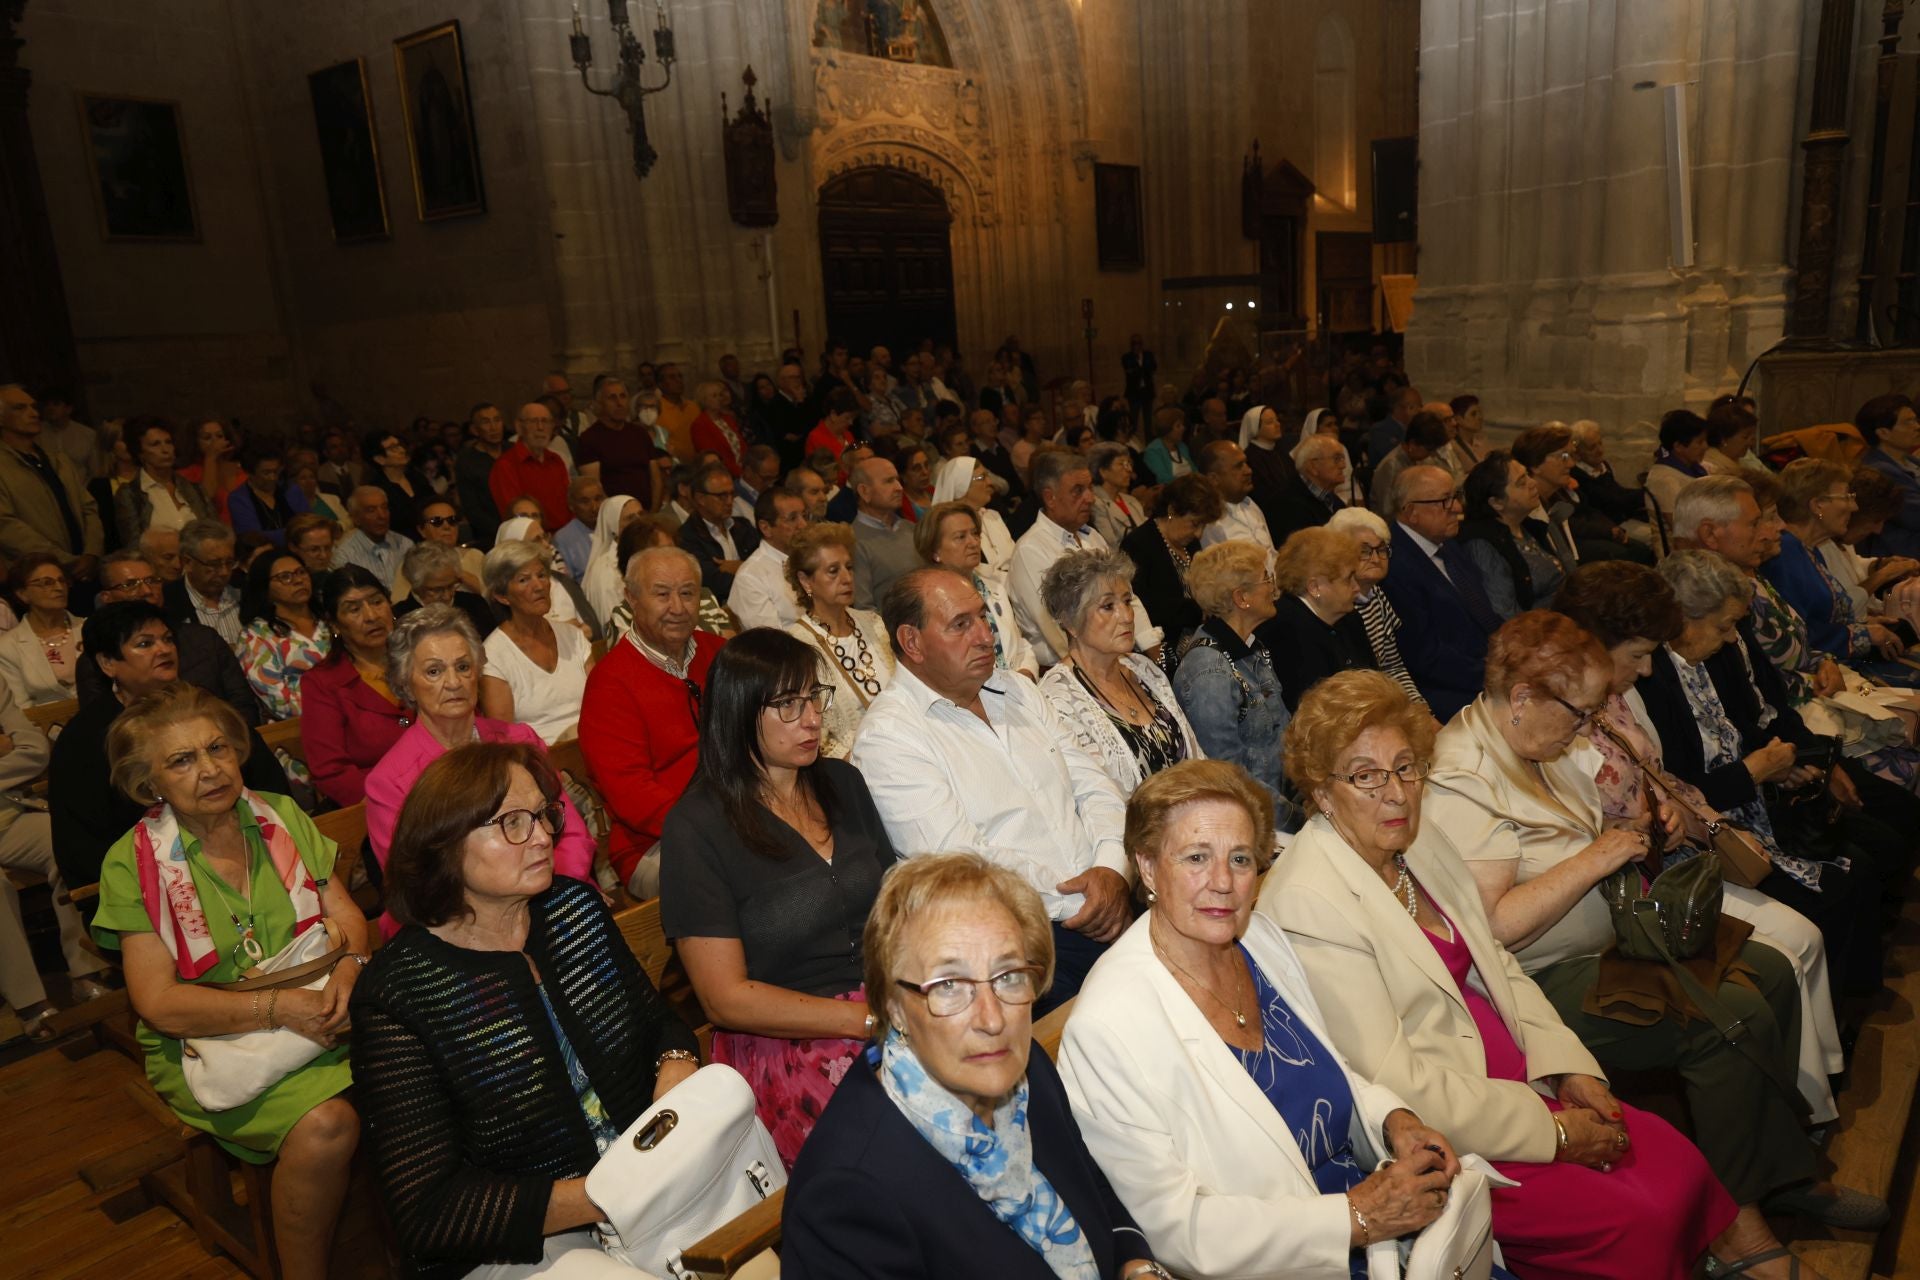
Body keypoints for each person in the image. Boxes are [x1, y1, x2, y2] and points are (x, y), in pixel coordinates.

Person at [1261, 670, 1751, 1278]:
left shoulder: (1418, 842)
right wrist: (1555, 1134)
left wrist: (1567, 1067)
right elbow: (1396, 1082)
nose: (1397, 794)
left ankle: (1727, 1258)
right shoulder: (1309, 900)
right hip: (1456, 1133)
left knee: (1679, 1162)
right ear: (1321, 790)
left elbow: (1499, 964)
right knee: (1640, 1214)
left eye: (1406, 767)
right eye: (1365, 775)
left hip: (1521, 1071)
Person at [1420, 611, 1879, 1238]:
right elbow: (1491, 927)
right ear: (1522, 697)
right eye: (1580, 712)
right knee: (1727, 1017)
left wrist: (1630, 831)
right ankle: (1739, 1223)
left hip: (1606, 942)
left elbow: (1559, 841)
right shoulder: (1463, 778)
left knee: (1772, 970)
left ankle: (1779, 1172)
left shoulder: (1536, 744)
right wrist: (1598, 856)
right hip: (1527, 984)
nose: (1588, 726)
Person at [1059, 759, 1469, 1280]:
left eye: (1239, 858)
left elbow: (1328, 1075)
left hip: (1389, 1235)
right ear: (1147, 868)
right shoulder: (1108, 1026)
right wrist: (1356, 1217)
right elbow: (1177, 1230)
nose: (1222, 883)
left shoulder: (1260, 940)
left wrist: (1393, 1123)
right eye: (1196, 857)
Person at [351, 742, 699, 1279]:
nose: (541, 836)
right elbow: (430, 1210)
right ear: (444, 845)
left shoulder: (573, 910)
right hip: (521, 1243)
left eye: (542, 815)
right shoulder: (398, 992)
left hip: (646, 1182)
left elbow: (659, 1024)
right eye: (512, 823)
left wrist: (675, 1068)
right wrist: (609, 1192)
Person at [1552, 561, 1856, 1126]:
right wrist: (1662, 824)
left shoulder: (1617, 698)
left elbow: (1662, 776)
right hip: (1632, 885)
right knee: (1791, 948)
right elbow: (1575, 832)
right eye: (1639, 654)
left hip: (1674, 854)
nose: (1648, 669)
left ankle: (1812, 1096)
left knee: (1807, 933)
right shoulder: (1560, 717)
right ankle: (1798, 1107)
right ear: (1594, 645)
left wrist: (1705, 821)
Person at [781, 852, 1161, 1280]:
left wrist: (1137, 1266)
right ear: (893, 1006)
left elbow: (1093, 1190)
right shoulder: (846, 1199)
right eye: (949, 985)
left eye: (1009, 975)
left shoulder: (1023, 1067)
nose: (993, 1019)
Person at [93, 685, 362, 1280]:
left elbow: (345, 917)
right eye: (181, 760)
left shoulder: (279, 814)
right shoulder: (131, 862)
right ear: (150, 784)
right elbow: (159, 1003)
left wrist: (350, 969)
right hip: (211, 1039)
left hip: (324, 1000)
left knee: (438, 1062)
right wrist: (281, 1008)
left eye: (217, 748)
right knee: (327, 1126)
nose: (210, 769)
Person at [661, 630, 900, 1165]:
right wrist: (864, 1020)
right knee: (900, 1134)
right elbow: (725, 998)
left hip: (886, 1000)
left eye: (814, 697)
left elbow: (897, 906)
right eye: (789, 705)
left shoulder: (841, 782)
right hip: (788, 1040)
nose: (812, 718)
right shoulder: (697, 827)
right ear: (740, 712)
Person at [850, 568, 1132, 1010]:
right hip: (1019, 941)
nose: (985, 636)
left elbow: (1095, 785)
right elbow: (961, 863)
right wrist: (1087, 900)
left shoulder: (1016, 689)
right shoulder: (889, 737)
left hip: (1107, 899)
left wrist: (1112, 868)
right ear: (912, 642)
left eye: (983, 617)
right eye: (961, 625)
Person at [364, 606, 595, 938]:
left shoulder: (519, 742)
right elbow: (418, 886)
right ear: (406, 684)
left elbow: (570, 833)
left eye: (463, 666)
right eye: (434, 671)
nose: (453, 682)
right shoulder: (391, 781)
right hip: (461, 929)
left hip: (554, 897)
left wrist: (559, 898)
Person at [579, 546, 724, 898]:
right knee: (741, 871)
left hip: (738, 819)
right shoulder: (610, 684)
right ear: (631, 598)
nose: (678, 607)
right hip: (655, 844)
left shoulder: (719, 654)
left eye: (687, 593)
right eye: (662, 594)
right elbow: (631, 793)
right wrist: (719, 829)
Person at [1038, 549, 1200, 797]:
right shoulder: (1057, 700)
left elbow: (1196, 756)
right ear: (1070, 622)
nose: (1126, 616)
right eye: (1108, 606)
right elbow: (1092, 798)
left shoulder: (1144, 669)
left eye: (1127, 601)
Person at [1170, 539, 1294, 822]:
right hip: (1254, 819)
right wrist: (1296, 817)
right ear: (1242, 598)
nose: (1273, 587)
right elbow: (1227, 777)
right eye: (1266, 578)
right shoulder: (1209, 673)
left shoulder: (1250, 647)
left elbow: (1284, 734)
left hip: (1281, 804)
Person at [1761, 458, 1918, 681]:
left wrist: (1864, 625)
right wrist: (1862, 633)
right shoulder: (1785, 552)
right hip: (1818, 675)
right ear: (1818, 505)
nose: (1854, 506)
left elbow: (1822, 619)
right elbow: (1795, 634)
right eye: (1846, 497)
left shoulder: (1806, 549)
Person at [1012, 449, 1162, 668]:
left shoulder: (1091, 536)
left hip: (1114, 657)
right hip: (1070, 668)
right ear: (1050, 497)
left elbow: (1127, 597)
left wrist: (1155, 655)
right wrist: (1112, 668)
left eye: (1090, 487)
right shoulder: (1030, 549)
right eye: (1078, 491)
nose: (1090, 498)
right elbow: (1055, 628)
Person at [1381, 465, 1501, 719]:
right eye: (1445, 500)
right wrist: (1496, 674)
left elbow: (1484, 614)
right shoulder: (1393, 565)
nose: (1457, 507)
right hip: (1448, 691)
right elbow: (1424, 657)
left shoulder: (1448, 546)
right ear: (1411, 511)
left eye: (1456, 496)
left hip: (1488, 666)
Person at [301, 566, 409, 808]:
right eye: (354, 609)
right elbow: (330, 770)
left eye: (377, 602)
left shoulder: (419, 658)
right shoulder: (322, 683)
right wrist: (389, 805)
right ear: (334, 624)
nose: (371, 616)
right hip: (377, 806)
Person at [784, 522, 895, 758]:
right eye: (833, 571)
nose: (847, 578)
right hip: (852, 765)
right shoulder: (796, 645)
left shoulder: (873, 623)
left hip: (903, 745)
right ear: (806, 581)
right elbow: (815, 737)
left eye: (849, 567)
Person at [479, 540, 595, 746]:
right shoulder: (493, 656)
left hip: (595, 741)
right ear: (502, 596)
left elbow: (603, 700)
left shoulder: (573, 637)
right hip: (541, 757)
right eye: (524, 580)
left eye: (541, 575)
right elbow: (504, 740)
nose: (539, 586)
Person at [917, 501, 1037, 682]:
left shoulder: (996, 588)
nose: (974, 542)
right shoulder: (928, 604)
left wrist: (1027, 673)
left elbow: (1020, 645)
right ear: (935, 551)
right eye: (960, 537)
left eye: (975, 534)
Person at [1258, 527, 1376, 710]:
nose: (1356, 587)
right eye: (1348, 579)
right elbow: (1308, 709)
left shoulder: (1348, 617)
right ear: (1315, 587)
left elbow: (1374, 680)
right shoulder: (1283, 632)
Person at [1326, 508, 1427, 710]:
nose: (1375, 558)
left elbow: (1393, 667)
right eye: (1364, 551)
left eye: (1381, 550)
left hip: (1382, 698)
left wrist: (1420, 709)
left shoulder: (1377, 595)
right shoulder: (1337, 607)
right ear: (1338, 554)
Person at [1122, 475, 1222, 661]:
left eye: (1203, 525)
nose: (1199, 534)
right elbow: (1144, 606)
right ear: (1172, 510)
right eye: (1195, 523)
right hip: (1165, 646)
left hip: (1200, 637)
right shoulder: (1138, 544)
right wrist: (1198, 611)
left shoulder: (1190, 544)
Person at [1458, 451, 1567, 618]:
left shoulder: (1528, 526)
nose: (1533, 483)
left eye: (1528, 475)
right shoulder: (1483, 544)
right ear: (1497, 502)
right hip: (1539, 627)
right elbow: (1505, 614)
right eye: (1522, 483)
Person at [238, 551, 330, 722]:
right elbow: (280, 703)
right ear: (265, 588)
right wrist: (338, 710)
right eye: (285, 577)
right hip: (302, 726)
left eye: (301, 572)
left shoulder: (331, 620)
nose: (298, 580)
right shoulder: (256, 636)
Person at [0, 553, 81, 706]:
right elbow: (20, 707)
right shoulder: (7, 647)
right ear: (23, 594)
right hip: (44, 721)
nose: (59, 588)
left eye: (62, 580)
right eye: (46, 583)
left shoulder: (89, 628)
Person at [114, 416, 210, 541]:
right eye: (155, 444)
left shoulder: (195, 489)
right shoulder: (131, 495)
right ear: (140, 453)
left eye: (168, 442)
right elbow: (133, 542)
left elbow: (213, 531)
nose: (165, 450)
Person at [727, 487, 808, 631]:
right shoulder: (751, 576)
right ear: (766, 528)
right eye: (792, 518)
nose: (803, 525)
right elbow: (769, 640)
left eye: (804, 516)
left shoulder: (812, 559)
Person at [678, 461, 760, 597]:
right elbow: (714, 583)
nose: (729, 501)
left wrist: (740, 566)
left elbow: (768, 566)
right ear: (700, 498)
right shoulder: (687, 536)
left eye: (732, 494)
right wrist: (753, 571)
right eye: (722, 496)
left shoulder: (743, 526)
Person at [847, 458, 919, 610]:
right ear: (864, 491)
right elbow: (864, 609)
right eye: (888, 481)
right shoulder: (853, 541)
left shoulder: (912, 529)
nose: (899, 487)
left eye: (898, 480)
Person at [165, 518, 245, 654]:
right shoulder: (169, 601)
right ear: (187, 562)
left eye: (229, 562)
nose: (224, 572)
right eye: (214, 564)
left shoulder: (245, 589)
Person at [393, 539, 495, 640]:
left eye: (451, 586)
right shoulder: (401, 618)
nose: (447, 596)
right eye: (437, 590)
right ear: (417, 587)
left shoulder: (475, 605)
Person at [331, 486, 414, 593]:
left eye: (384, 508)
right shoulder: (344, 556)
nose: (382, 516)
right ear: (355, 518)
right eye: (371, 510)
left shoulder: (405, 544)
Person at [226, 447, 310, 548]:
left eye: (276, 471)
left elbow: (309, 523)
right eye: (266, 473)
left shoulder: (291, 489)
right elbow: (252, 538)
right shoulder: (239, 498)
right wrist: (295, 533)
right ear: (250, 473)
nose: (273, 477)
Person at [454, 402, 508, 549]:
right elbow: (472, 508)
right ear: (474, 429)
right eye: (486, 422)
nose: (493, 427)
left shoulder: (513, 451)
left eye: (497, 420)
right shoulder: (467, 461)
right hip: (489, 536)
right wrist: (503, 532)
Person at [1645, 409, 1711, 530]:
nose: (1705, 446)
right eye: (1699, 442)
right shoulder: (1665, 480)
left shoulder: (1695, 469)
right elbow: (1681, 527)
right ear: (1678, 446)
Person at [361, 428, 429, 535]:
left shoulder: (417, 477)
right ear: (380, 459)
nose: (402, 450)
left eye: (399, 445)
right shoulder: (376, 490)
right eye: (393, 448)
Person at [1087, 441, 1146, 551]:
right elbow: (1111, 547)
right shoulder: (1095, 503)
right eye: (1121, 464)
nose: (1129, 469)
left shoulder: (1131, 500)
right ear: (1103, 471)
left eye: (1129, 463)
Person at [553, 475, 604, 580]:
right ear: (572, 506)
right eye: (585, 502)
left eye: (598, 499)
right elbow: (567, 582)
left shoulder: (614, 527)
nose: (594, 507)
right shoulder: (563, 538)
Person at [1142, 409, 1194, 485]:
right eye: (1178, 426)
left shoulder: (1182, 447)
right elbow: (1163, 479)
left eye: (1182, 424)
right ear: (1166, 429)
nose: (1183, 428)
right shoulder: (1153, 451)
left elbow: (1195, 471)